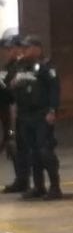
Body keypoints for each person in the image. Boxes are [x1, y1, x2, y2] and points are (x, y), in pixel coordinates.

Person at [9, 34, 62, 200]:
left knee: (45, 150)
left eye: (28, 47)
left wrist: (52, 110)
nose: (24, 50)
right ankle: (39, 186)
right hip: (25, 115)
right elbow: (12, 88)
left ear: (37, 49)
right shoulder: (21, 66)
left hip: (41, 115)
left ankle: (55, 187)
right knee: (32, 152)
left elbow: (54, 89)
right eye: (23, 47)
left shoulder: (46, 67)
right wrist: (13, 85)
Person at [0, 31, 26, 193]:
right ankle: (20, 179)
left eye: (10, 49)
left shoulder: (22, 66)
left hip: (20, 114)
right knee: (13, 144)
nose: (6, 52)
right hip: (10, 117)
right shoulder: (9, 67)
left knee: (20, 146)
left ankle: (25, 180)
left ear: (18, 48)